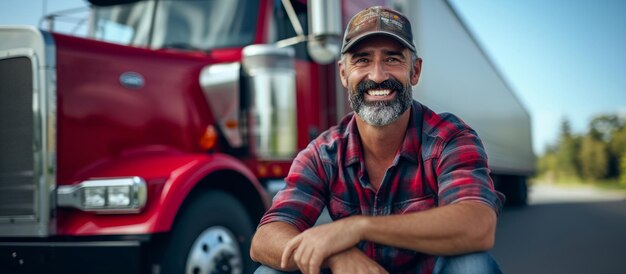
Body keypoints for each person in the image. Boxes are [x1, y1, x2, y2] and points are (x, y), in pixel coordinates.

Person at [250, 6, 505, 274]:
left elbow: (477, 226)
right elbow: (264, 238)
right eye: (362, 60)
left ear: (415, 71)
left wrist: (357, 228)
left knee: (472, 266)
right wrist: (335, 256)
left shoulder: (449, 138)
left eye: (392, 59)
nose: (377, 75)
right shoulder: (323, 153)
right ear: (343, 74)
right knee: (269, 272)